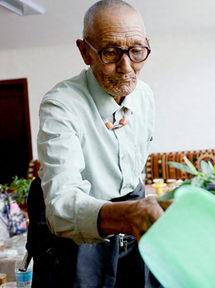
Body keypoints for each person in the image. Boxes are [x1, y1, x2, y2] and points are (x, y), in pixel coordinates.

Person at [26, 1, 169, 287]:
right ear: (85, 52)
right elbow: (62, 204)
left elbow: (131, 170)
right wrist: (128, 214)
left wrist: (140, 208)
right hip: (76, 221)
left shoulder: (145, 96)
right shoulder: (61, 105)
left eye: (137, 51)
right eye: (111, 52)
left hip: (131, 205)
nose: (126, 68)